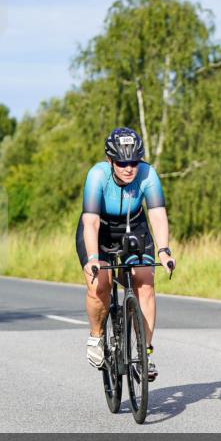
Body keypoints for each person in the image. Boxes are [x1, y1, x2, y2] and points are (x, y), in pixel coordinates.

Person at [76, 127, 175, 381]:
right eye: (122, 163)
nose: (129, 168)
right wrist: (93, 258)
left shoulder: (148, 174)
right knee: (100, 285)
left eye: (134, 162)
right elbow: (91, 223)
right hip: (101, 230)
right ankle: (97, 336)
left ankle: (145, 354)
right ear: (110, 160)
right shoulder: (96, 176)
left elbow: (157, 214)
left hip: (134, 227)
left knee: (145, 284)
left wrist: (164, 250)